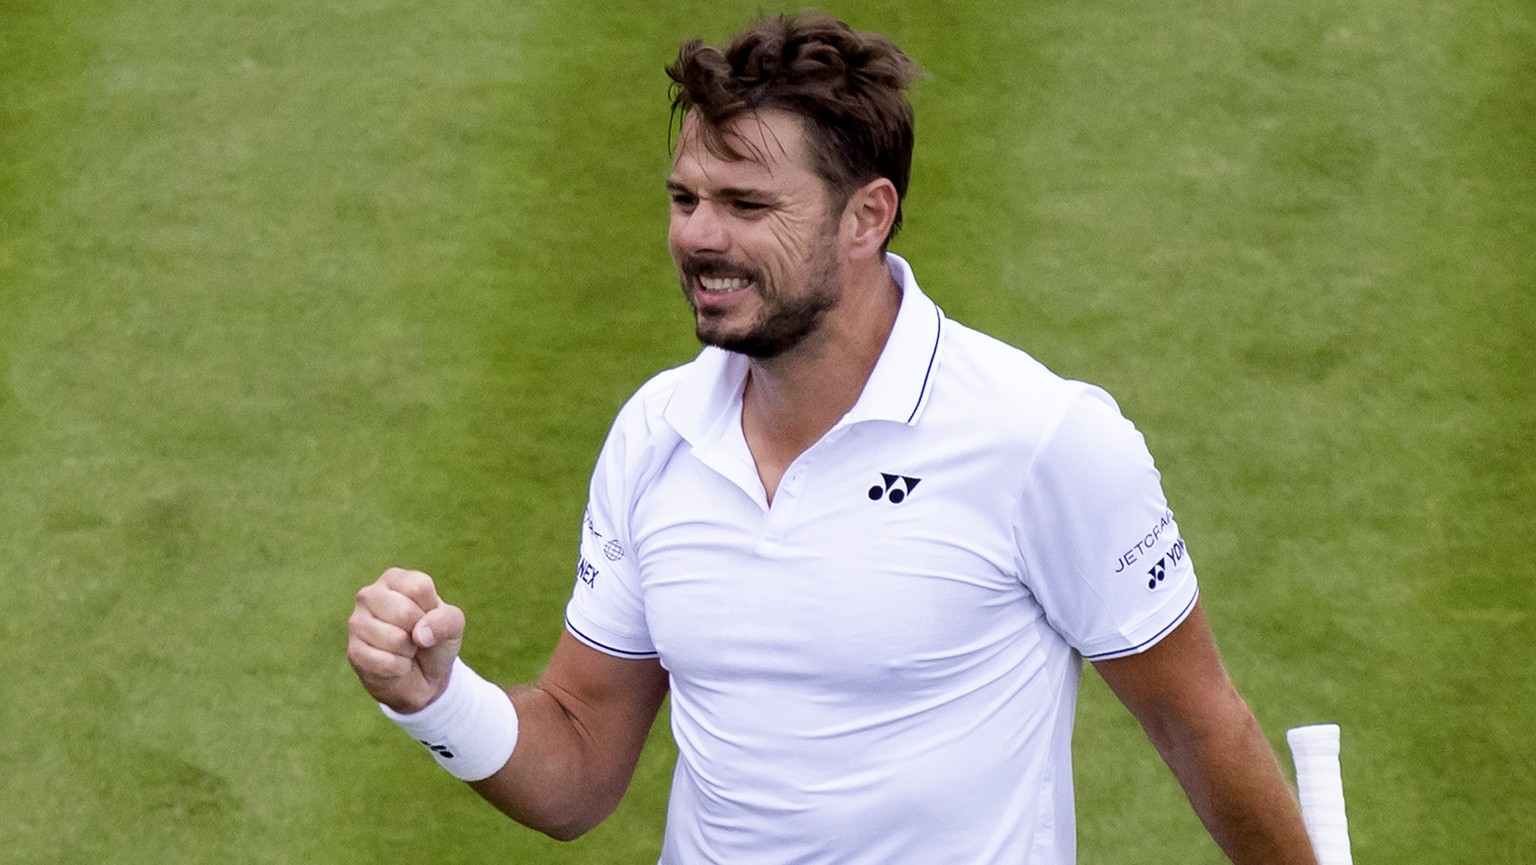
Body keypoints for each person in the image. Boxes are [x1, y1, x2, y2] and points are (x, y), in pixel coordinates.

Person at [347, 11, 1320, 864]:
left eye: (747, 206)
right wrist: (438, 697)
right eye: (686, 199)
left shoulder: (1043, 440)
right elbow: (576, 766)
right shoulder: (657, 434)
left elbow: (1200, 727)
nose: (699, 238)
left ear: (868, 217)